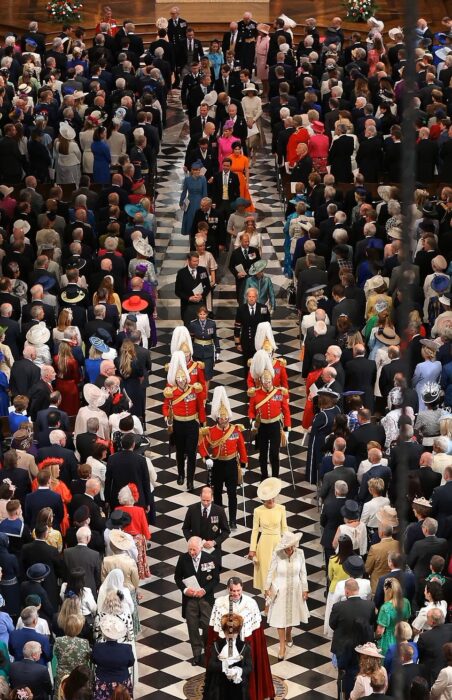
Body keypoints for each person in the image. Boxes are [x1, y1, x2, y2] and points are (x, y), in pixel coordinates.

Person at [207, 577, 274, 700]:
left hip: (243, 645)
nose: (236, 593)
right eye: (233, 590)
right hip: (224, 644)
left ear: (242, 588)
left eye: (238, 590)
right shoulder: (220, 603)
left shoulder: (250, 603)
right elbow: (214, 629)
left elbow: (256, 631)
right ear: (228, 589)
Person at [198, 386, 247, 529]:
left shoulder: (235, 430)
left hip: (231, 464)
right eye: (221, 417)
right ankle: (220, 520)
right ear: (217, 418)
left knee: (232, 494)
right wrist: (206, 457)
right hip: (217, 465)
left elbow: (242, 449)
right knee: (217, 494)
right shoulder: (211, 431)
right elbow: (202, 445)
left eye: (225, 417)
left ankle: (232, 520)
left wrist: (243, 465)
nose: (224, 420)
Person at [162, 351, 206, 490]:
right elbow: (165, 407)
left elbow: (200, 407)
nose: (181, 379)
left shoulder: (194, 390)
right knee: (180, 451)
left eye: (183, 377)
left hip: (192, 424)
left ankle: (190, 479)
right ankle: (181, 474)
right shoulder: (171, 392)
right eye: (178, 377)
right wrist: (167, 419)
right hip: (178, 424)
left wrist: (203, 422)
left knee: (192, 453)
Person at [174, 536, 219, 667]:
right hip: (190, 600)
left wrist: (204, 590)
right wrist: (185, 589)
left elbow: (216, 579)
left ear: (200, 547)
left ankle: (208, 651)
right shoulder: (183, 559)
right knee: (192, 628)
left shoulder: (210, 559)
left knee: (207, 627)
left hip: (205, 599)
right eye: (190, 550)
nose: (192, 552)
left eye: (194, 549)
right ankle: (197, 655)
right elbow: (177, 577)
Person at [264, 531, 309, 660]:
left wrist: (305, 589)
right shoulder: (277, 554)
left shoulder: (300, 554)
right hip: (280, 588)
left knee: (291, 615)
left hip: (295, 588)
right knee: (280, 618)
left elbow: (303, 572)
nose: (290, 549)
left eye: (292, 546)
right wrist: (267, 587)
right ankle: (282, 646)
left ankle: (289, 633)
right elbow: (270, 571)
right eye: (287, 546)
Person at [248, 353, 291, 478]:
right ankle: (264, 476)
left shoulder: (279, 392)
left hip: (275, 426)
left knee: (274, 454)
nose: (266, 383)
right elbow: (251, 410)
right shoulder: (255, 394)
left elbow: (286, 411)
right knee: (262, 454)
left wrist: (287, 428)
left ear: (271, 380)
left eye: (268, 381)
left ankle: (276, 476)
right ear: (260, 380)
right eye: (264, 381)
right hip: (261, 426)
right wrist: (252, 422)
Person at [248, 477, 287, 594]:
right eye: (267, 498)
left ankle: (278, 599)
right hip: (264, 544)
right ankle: (267, 601)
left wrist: (288, 543)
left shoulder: (281, 508)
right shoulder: (258, 510)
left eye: (271, 497)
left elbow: (284, 528)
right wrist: (252, 549)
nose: (270, 500)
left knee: (278, 571)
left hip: (277, 542)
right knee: (266, 572)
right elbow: (255, 531)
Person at [202, 613, 252, 700]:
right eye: (228, 633)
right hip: (220, 686)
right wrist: (224, 666)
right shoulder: (217, 646)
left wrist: (238, 671)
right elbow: (211, 665)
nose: (231, 636)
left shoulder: (244, 647)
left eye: (234, 633)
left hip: (238, 688)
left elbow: (249, 667)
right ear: (224, 632)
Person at [182, 486, 230, 568]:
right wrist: (193, 542)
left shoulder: (219, 511)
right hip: (196, 550)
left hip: (213, 550)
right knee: (197, 572)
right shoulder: (192, 509)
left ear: (212, 498)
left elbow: (226, 531)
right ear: (200, 496)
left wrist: (214, 542)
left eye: (208, 500)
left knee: (214, 573)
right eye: (203, 500)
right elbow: (185, 528)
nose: (205, 503)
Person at [92, 615, 135, 699]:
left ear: (104, 634)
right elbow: (131, 662)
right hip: (122, 682)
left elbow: (94, 660)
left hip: (102, 682)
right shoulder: (127, 648)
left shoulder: (97, 647)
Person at [53, 613, 91, 696]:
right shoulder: (85, 642)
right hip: (79, 677)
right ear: (79, 628)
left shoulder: (58, 641)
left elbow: (56, 654)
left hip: (62, 677)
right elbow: (87, 658)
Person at [180, 161, 207, 235]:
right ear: (192, 170)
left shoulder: (203, 179)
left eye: (198, 170)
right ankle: (191, 238)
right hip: (189, 202)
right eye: (195, 170)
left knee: (199, 220)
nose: (196, 171)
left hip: (200, 202)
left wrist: (205, 204)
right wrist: (181, 202)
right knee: (190, 221)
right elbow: (184, 192)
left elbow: (205, 193)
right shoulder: (187, 179)